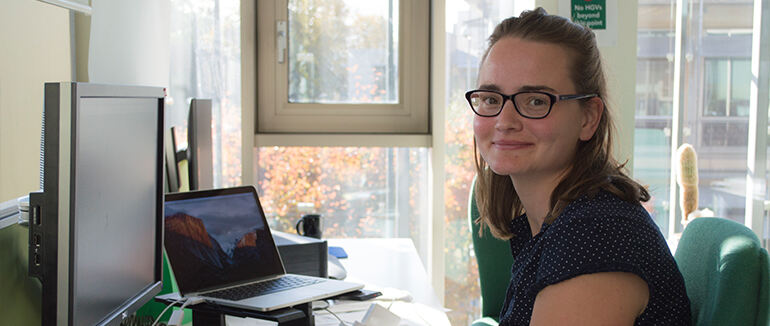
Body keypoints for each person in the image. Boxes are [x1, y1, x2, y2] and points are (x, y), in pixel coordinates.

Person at [468, 8, 691, 325]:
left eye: (535, 100)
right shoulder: (558, 222)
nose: (504, 121)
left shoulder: (598, 236)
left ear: (588, 118)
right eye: (491, 98)